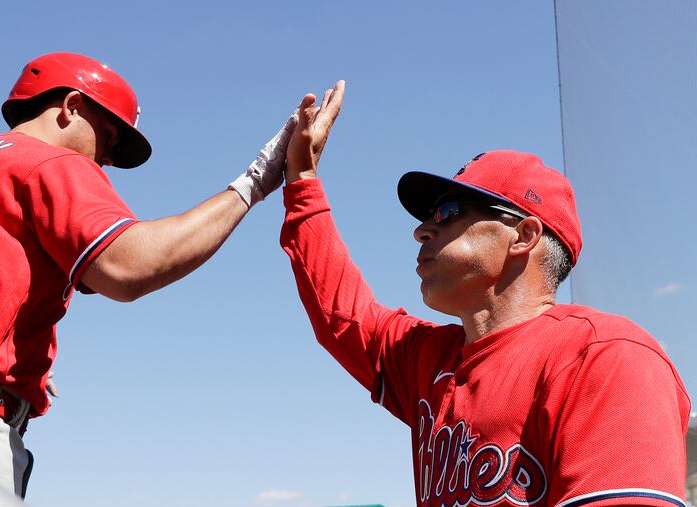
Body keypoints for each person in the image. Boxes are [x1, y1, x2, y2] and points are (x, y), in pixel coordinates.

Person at [281, 83, 692, 507]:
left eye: (449, 212)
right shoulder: (431, 359)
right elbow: (342, 314)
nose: (423, 229)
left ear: (524, 235)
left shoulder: (604, 357)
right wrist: (302, 181)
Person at [0, 52, 295, 497]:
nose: (106, 158)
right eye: (108, 136)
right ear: (70, 106)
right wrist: (254, 183)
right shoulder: (48, 163)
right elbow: (127, 268)